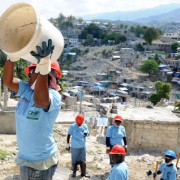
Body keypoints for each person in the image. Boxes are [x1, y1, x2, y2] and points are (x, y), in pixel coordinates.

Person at [3, 39, 62, 180]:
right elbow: (8, 81)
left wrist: (43, 67)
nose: (29, 75)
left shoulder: (54, 96)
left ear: (48, 74)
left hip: (42, 163)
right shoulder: (27, 90)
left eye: (33, 71)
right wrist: (12, 57)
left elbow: (41, 100)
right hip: (25, 159)